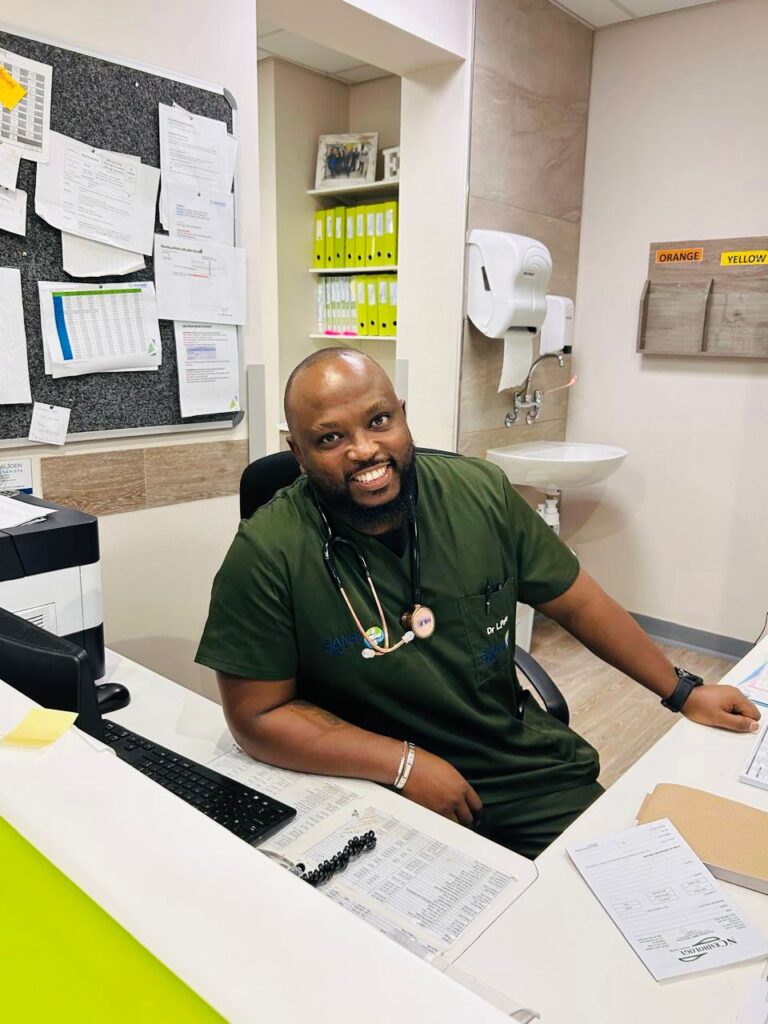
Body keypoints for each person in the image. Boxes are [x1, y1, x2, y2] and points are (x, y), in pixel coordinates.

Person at [196, 349, 760, 858]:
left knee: (625, 880)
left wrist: (683, 690)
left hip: (513, 767)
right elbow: (256, 716)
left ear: (403, 414)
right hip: (365, 780)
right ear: (298, 454)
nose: (364, 449)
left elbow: (579, 602)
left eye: (378, 420)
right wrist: (402, 766)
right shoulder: (267, 552)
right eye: (329, 438)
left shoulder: (480, 494)